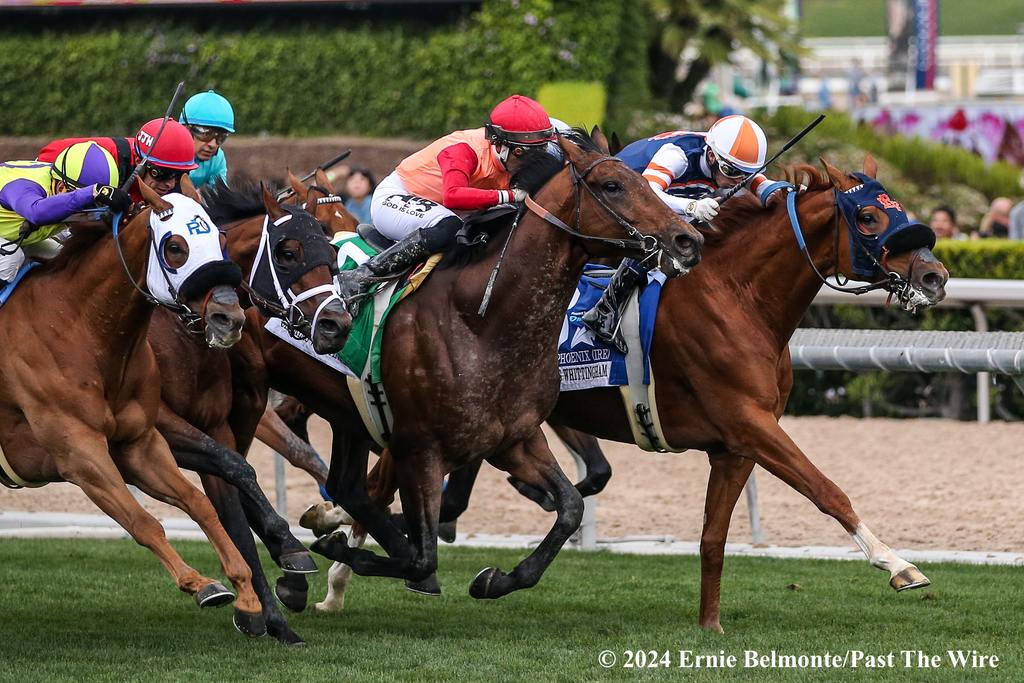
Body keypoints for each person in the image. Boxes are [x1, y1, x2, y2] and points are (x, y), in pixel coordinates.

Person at [335, 94, 557, 315]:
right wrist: (509, 196)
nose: (529, 164)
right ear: (501, 145)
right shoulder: (464, 149)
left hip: (437, 209)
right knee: (450, 227)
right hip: (394, 199)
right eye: (523, 154)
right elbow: (453, 196)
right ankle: (362, 276)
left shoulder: (507, 154)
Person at [581, 115, 787, 351]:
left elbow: (758, 183)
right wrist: (692, 207)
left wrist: (778, 191)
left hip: (652, 198)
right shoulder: (677, 156)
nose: (736, 181)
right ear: (711, 155)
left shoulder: (724, 160)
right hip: (618, 197)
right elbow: (647, 196)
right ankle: (604, 311)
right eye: (730, 171)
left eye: (744, 174)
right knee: (665, 237)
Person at [0, 141, 128, 285]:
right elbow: (37, 213)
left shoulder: (58, 186)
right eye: (87, 205)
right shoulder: (23, 186)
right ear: (61, 187)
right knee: (9, 260)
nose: (89, 212)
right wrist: (92, 192)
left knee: (62, 256)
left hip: (8, 235)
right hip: (8, 243)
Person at [37, 119, 198, 203]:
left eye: (179, 175)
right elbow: (49, 153)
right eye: (163, 174)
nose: (170, 184)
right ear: (138, 160)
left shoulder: (173, 183)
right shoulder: (103, 160)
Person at [179, 90, 234, 189]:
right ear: (185, 129)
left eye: (220, 137)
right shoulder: (168, 151)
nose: (213, 145)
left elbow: (220, 196)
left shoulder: (218, 158)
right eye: (206, 134)